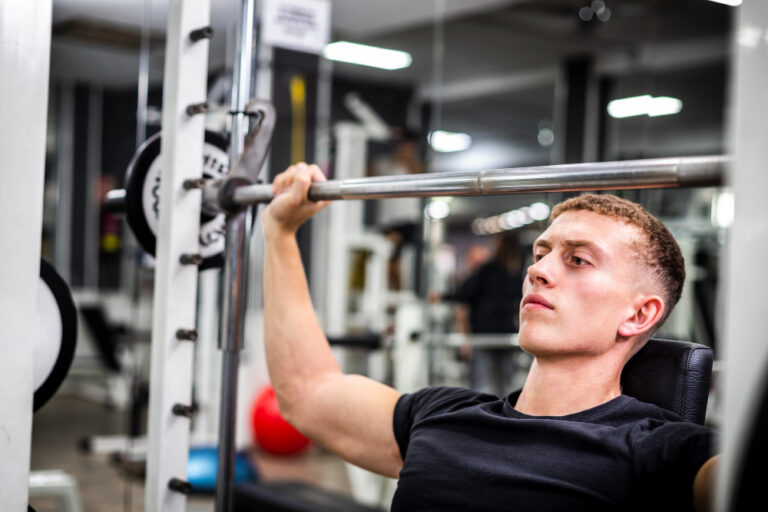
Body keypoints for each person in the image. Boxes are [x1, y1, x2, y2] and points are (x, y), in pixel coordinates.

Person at [262, 162, 718, 512]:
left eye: (578, 259)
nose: (538, 270)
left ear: (639, 314)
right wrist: (280, 232)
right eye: (540, 253)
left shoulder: (663, 452)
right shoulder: (441, 414)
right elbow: (306, 392)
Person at [432, 233, 525, 395]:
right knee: (506, 383)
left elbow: (464, 293)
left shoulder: (488, 270)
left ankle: (485, 416)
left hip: (486, 334)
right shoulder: (516, 273)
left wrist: (442, 296)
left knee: (483, 383)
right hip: (506, 332)